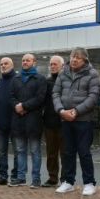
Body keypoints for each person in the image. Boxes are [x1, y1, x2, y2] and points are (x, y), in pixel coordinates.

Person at [52, 47, 100, 195]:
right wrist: (61, 111)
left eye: (78, 57)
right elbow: (55, 93)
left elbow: (93, 97)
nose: (74, 60)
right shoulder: (63, 73)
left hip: (84, 120)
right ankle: (68, 182)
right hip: (65, 119)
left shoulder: (92, 74)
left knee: (84, 152)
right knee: (68, 152)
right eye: (73, 56)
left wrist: (76, 111)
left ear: (85, 60)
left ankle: (89, 183)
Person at [10, 53, 47, 188]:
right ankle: (21, 178)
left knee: (35, 151)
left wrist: (23, 106)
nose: (25, 62)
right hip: (18, 121)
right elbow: (11, 97)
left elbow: (40, 98)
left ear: (34, 62)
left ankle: (36, 179)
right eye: (23, 60)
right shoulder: (16, 79)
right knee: (20, 150)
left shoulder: (40, 79)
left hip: (34, 121)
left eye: (28, 60)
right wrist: (16, 106)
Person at [0, 57, 17, 184]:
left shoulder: (18, 81)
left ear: (12, 65)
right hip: (1, 124)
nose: (3, 65)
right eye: (1, 64)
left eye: (6, 63)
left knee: (18, 151)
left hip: (16, 123)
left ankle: (15, 176)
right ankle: (3, 176)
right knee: (1, 151)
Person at [41, 55, 65, 187]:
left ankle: (65, 179)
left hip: (64, 123)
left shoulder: (67, 81)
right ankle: (52, 178)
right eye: (51, 64)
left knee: (65, 153)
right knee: (51, 153)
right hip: (49, 123)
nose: (52, 66)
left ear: (62, 66)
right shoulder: (46, 82)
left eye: (55, 64)